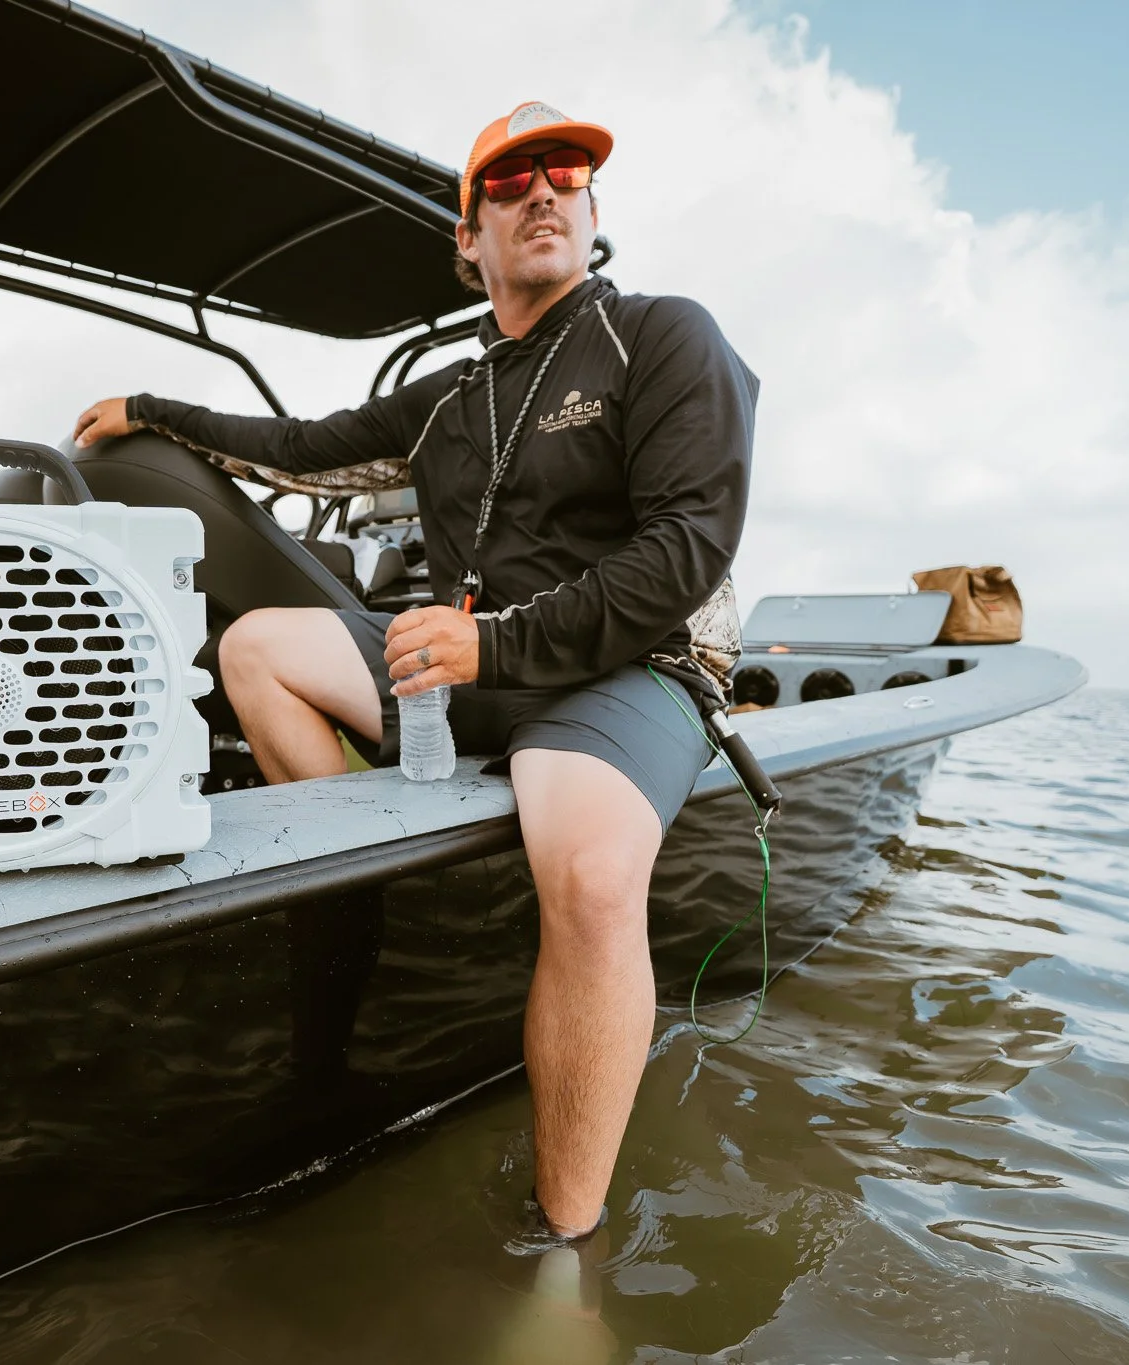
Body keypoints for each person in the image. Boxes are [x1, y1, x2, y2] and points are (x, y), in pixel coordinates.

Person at [71, 102, 756, 1244]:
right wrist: (148, 409)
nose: (542, 190)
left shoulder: (662, 336)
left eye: (566, 173)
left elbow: (688, 548)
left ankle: (563, 1251)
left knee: (588, 878)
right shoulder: (451, 391)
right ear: (467, 239)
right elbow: (297, 445)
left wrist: (491, 645)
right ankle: (353, 903)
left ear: (589, 211)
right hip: (469, 668)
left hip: (621, 671)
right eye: (506, 181)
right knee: (255, 649)